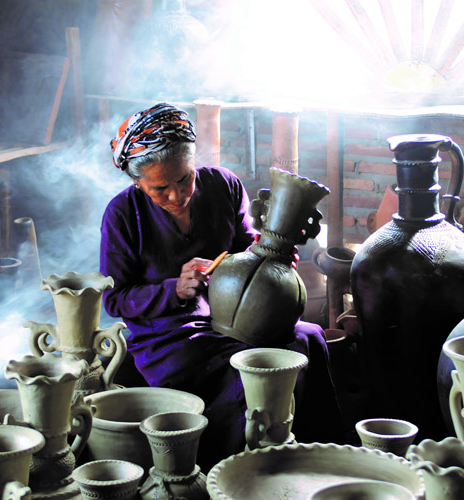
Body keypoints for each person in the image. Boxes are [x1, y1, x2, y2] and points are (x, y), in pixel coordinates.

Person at [100, 102, 343, 470]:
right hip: (169, 336)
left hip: (233, 313)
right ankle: (236, 470)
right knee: (249, 373)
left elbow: (249, 246)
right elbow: (114, 299)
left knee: (308, 338)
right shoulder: (122, 214)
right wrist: (173, 289)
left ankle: (320, 453)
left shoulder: (222, 185)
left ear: (193, 162)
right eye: (159, 189)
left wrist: (273, 256)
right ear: (137, 182)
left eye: (184, 179)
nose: (177, 195)